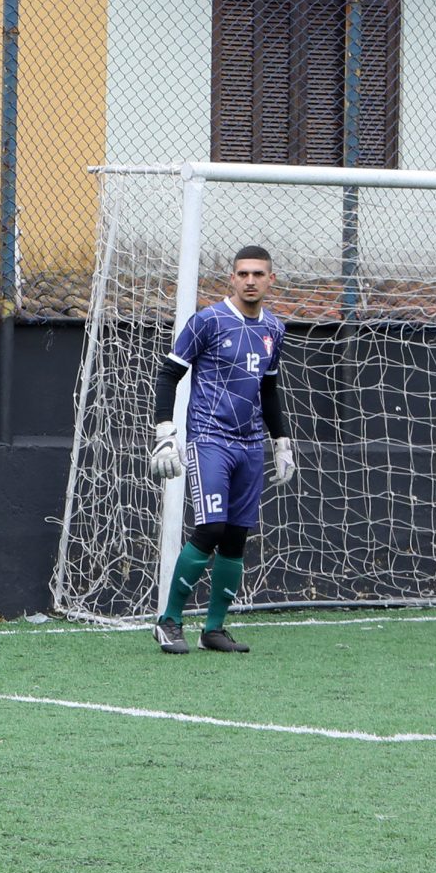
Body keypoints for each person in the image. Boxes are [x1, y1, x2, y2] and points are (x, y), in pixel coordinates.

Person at [150, 244, 295, 654]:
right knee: (211, 528)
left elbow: (268, 388)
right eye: (243, 274)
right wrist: (165, 431)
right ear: (231, 278)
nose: (251, 281)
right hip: (210, 439)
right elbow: (169, 375)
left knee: (235, 537)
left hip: (250, 444)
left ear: (271, 279)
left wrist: (281, 441)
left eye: (259, 274)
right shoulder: (208, 321)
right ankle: (169, 622)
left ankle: (213, 629)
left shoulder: (275, 329)